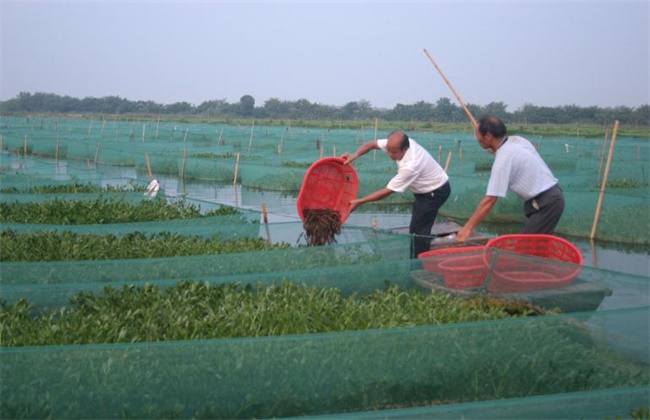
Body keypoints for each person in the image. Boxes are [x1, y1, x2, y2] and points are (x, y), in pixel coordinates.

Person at [341, 131, 451, 258]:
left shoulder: (411, 164)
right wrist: (354, 155)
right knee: (418, 226)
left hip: (435, 192)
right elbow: (371, 144)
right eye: (388, 150)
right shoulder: (395, 144)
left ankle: (418, 266)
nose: (390, 154)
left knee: (418, 232)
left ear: (405, 149)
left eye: (394, 152)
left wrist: (360, 201)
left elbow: (388, 191)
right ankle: (420, 254)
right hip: (424, 191)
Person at [456, 116, 565, 242]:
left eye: (478, 135)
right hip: (551, 197)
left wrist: (467, 228)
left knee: (526, 249)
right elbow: (512, 153)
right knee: (536, 248)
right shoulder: (517, 140)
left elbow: (490, 200)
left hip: (546, 203)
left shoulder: (502, 161)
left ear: (488, 136)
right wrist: (496, 150)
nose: (477, 139)